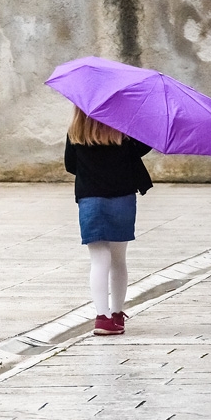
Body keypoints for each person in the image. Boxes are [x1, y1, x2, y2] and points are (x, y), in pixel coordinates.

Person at [64, 106, 152, 335]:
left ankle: (102, 317)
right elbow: (144, 146)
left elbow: (70, 165)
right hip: (122, 199)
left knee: (98, 260)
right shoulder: (124, 131)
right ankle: (117, 313)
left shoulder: (75, 132)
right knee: (118, 259)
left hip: (90, 200)